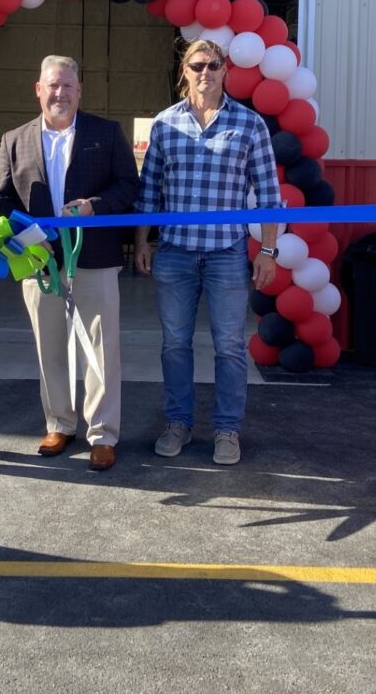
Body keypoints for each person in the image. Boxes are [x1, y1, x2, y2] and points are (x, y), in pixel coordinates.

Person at [134, 38, 281, 466]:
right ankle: (178, 422)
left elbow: (269, 194)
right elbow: (150, 193)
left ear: (225, 71)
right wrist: (143, 242)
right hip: (176, 254)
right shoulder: (164, 125)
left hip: (226, 254)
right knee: (175, 343)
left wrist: (267, 249)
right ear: (185, 71)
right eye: (197, 64)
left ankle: (227, 430)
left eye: (214, 65)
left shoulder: (250, 125)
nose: (206, 72)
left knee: (230, 346)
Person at [0, 55, 139, 471]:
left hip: (95, 258)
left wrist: (95, 205)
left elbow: (129, 186)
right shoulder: (13, 140)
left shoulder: (106, 134)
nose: (60, 93)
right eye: (53, 86)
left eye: (68, 86)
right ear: (39, 89)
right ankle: (59, 423)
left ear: (79, 91)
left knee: (100, 350)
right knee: (50, 348)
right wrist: (24, 233)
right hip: (39, 264)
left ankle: (103, 433)